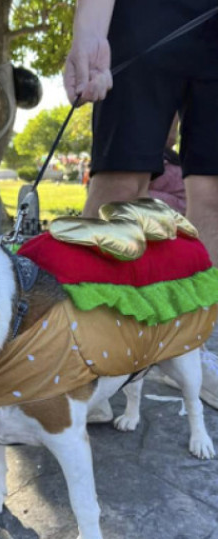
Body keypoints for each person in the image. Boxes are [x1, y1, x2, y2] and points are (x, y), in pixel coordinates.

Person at [64, 0, 218, 405]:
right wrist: (91, 31)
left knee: (214, 195)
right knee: (120, 184)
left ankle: (187, 349)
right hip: (145, 11)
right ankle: (82, 358)